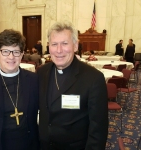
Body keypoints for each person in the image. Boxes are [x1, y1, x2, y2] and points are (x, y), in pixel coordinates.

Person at [37, 21, 108, 150]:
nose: (59, 50)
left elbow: (98, 129)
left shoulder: (93, 78)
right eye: (54, 44)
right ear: (48, 47)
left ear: (75, 46)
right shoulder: (42, 72)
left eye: (64, 43)